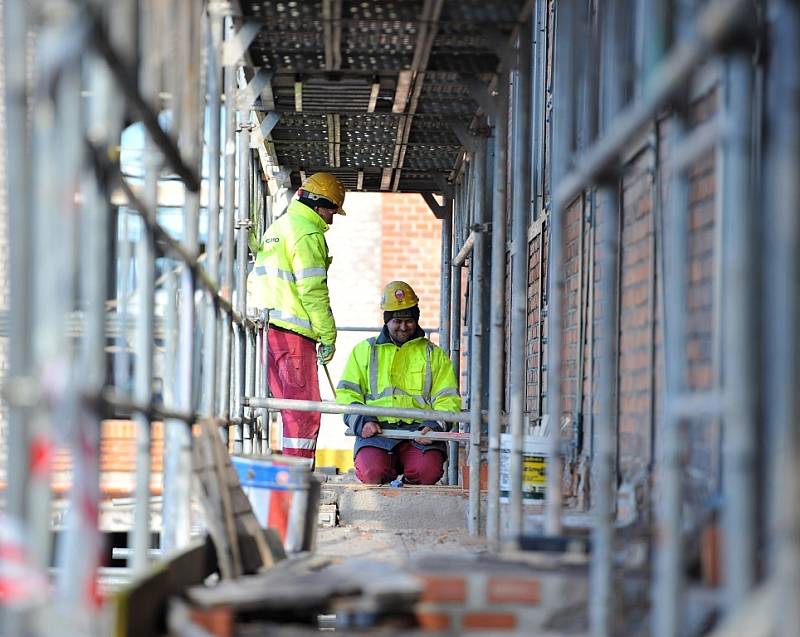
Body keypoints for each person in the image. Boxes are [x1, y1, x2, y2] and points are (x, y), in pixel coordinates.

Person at [248, 172, 347, 461]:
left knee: (290, 409)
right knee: (303, 411)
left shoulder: (279, 227)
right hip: (294, 336)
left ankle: (292, 477)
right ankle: (299, 479)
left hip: (271, 333)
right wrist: (328, 335)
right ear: (319, 204)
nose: (331, 219)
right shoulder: (308, 234)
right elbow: (313, 291)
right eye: (331, 210)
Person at [335, 281, 461, 485]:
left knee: (427, 471)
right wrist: (362, 420)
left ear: (416, 319)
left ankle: (412, 503)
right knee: (370, 471)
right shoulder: (365, 351)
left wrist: (434, 426)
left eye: (409, 320)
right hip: (377, 431)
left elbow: (448, 398)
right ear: (386, 321)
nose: (404, 327)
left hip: (421, 432)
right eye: (397, 321)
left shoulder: (433, 354)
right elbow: (347, 394)